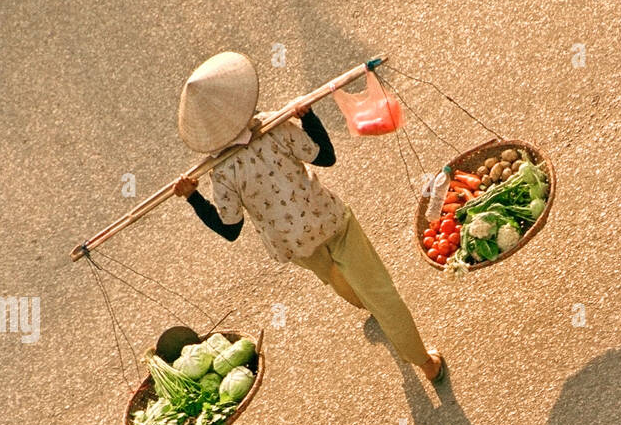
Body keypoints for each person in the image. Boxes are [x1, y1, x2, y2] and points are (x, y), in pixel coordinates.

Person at [172, 52, 445, 383]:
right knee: (382, 291)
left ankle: (364, 303)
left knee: (332, 274)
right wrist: (309, 117)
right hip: (329, 220)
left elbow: (230, 228)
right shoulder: (275, 127)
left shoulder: (222, 171)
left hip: (295, 245)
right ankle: (425, 363)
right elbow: (325, 157)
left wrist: (193, 198)